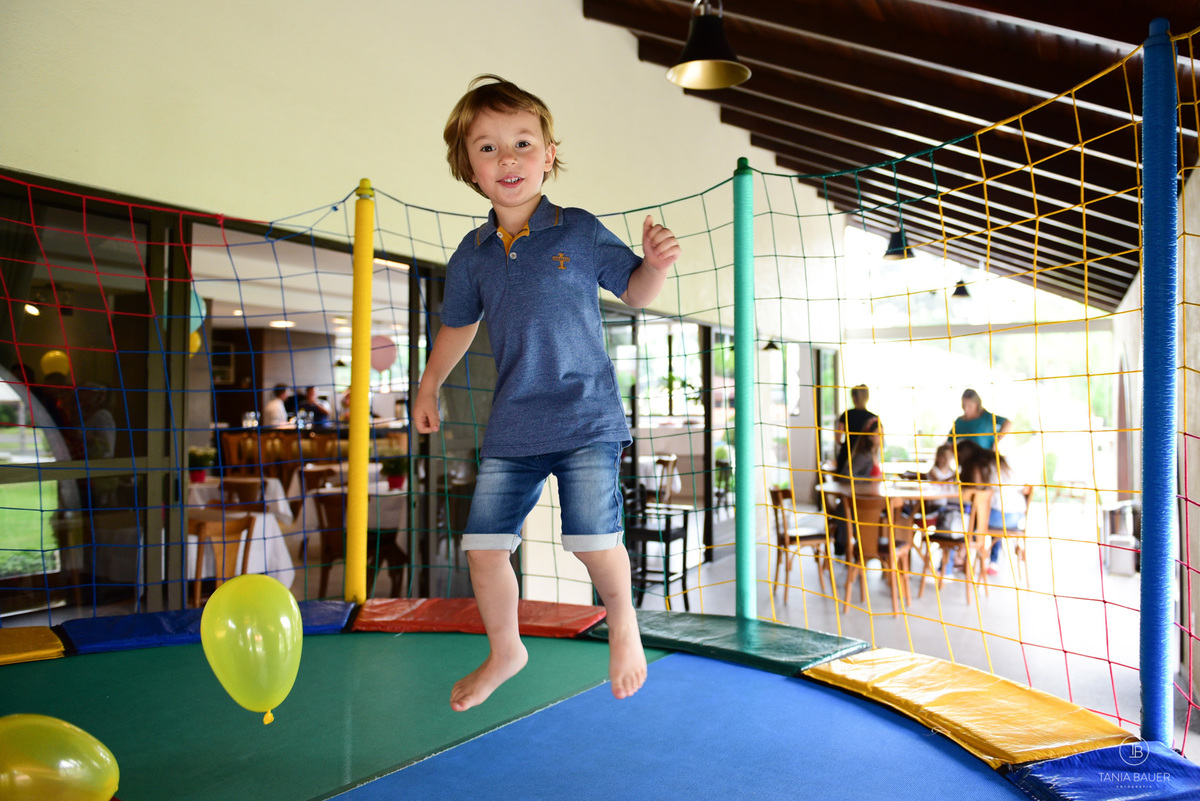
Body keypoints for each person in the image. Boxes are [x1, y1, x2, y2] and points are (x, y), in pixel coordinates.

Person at [413, 75, 680, 712]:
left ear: (549, 154)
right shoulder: (472, 254)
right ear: (468, 168)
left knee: (593, 539)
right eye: (487, 148)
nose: (508, 159)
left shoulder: (579, 231)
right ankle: (506, 649)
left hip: (586, 414)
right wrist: (428, 384)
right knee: (482, 549)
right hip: (515, 422)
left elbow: (635, 293)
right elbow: (457, 326)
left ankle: (624, 628)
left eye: (522, 143)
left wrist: (657, 265)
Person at [959, 446, 1026, 576]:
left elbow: (976, 489)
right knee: (991, 517)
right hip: (1017, 517)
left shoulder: (981, 465)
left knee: (972, 516)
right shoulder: (1005, 463)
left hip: (998, 517)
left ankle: (964, 554)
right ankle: (993, 561)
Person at [833, 385, 881, 477]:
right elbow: (878, 441)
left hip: (847, 456)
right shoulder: (873, 418)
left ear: (854, 397)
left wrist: (848, 445)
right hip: (866, 459)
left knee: (844, 486)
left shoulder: (847, 414)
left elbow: (838, 439)